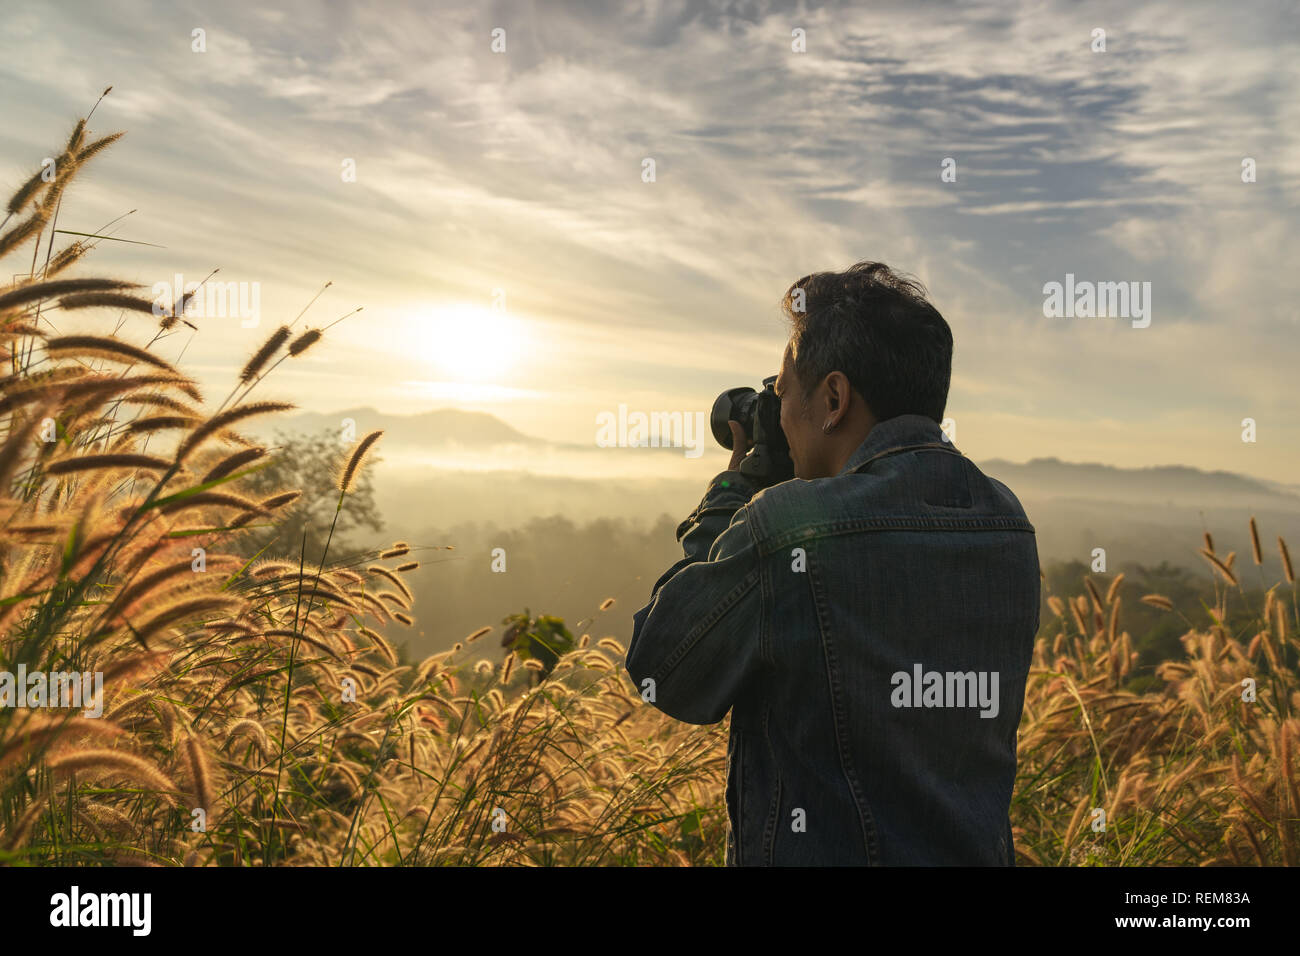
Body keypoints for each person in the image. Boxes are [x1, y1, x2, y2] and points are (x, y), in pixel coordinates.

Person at [626, 260, 1041, 865]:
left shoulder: (789, 528)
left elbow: (660, 666)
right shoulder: (1007, 519)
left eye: (785, 392)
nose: (782, 413)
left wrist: (734, 490)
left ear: (835, 398)